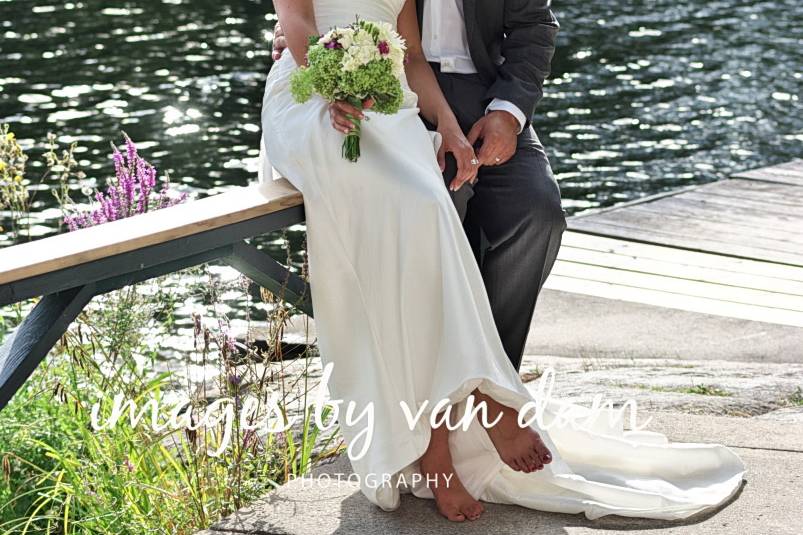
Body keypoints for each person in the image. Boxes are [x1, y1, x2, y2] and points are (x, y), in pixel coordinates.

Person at [260, 0, 745, 523]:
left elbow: (513, 30)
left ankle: (483, 386)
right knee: (426, 214)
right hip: (340, 101)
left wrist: (486, 118)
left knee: (532, 212)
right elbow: (305, 31)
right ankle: (461, 419)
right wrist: (335, 78)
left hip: (426, 94)